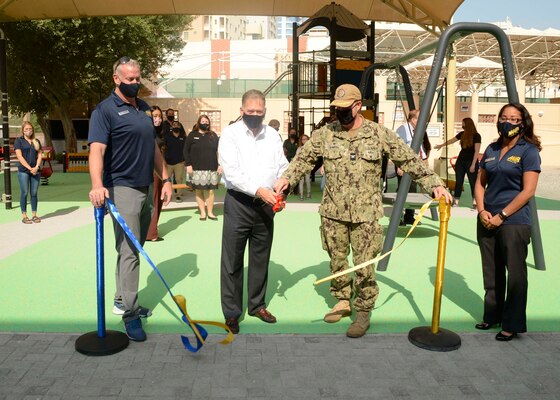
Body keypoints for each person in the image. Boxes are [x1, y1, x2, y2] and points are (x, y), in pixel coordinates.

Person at [274, 84, 452, 338]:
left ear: (358, 106)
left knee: (364, 265)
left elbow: (408, 158)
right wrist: (286, 180)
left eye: (345, 108)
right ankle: (343, 299)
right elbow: (304, 160)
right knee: (337, 259)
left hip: (365, 215)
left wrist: (435, 184)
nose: (340, 113)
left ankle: (363, 310)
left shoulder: (377, 133)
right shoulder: (326, 134)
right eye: (337, 108)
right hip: (333, 212)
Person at [88, 57, 173, 342]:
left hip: (145, 186)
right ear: (116, 79)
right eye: (131, 79)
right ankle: (131, 314)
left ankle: (121, 298)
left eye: (138, 79)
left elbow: (152, 147)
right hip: (121, 188)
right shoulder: (105, 111)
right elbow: (97, 151)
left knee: (131, 247)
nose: (136, 83)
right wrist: (97, 185)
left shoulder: (145, 109)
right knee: (130, 251)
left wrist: (166, 179)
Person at [218, 89, 289, 334]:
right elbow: (232, 172)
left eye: (259, 112)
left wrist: (283, 183)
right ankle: (231, 312)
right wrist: (259, 190)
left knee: (260, 258)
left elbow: (282, 165)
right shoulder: (230, 134)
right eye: (250, 112)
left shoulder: (273, 135)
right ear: (241, 111)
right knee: (232, 261)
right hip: (239, 203)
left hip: (266, 206)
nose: (255, 115)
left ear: (265, 111)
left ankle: (257, 305)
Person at [474, 103, 541, 342]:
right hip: (487, 218)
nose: (508, 122)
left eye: (514, 119)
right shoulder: (491, 149)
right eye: (504, 117)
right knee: (491, 271)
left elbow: (529, 190)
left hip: (514, 221)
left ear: (522, 123)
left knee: (515, 274)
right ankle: (492, 315)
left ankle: (511, 323)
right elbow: (480, 183)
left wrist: (502, 215)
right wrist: (482, 211)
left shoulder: (528, 150)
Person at [435, 117, 481, 208]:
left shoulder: (476, 136)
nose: (462, 126)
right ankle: (456, 201)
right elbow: (451, 140)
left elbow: (476, 151)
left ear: (467, 124)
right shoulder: (462, 134)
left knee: (473, 182)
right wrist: (441, 145)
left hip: (471, 161)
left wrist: (473, 165)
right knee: (459, 181)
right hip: (461, 161)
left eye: (463, 124)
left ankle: (475, 202)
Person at [184, 115, 222, 220]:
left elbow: (220, 151)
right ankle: (203, 213)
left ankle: (210, 212)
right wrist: (188, 165)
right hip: (196, 168)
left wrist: (220, 164)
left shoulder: (213, 135)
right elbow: (185, 151)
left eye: (207, 121)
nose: (205, 123)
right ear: (198, 123)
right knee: (199, 190)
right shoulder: (192, 135)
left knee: (210, 191)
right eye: (203, 121)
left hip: (211, 167)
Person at [395, 110, 421, 226]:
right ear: (413, 119)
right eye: (420, 118)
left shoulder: (418, 131)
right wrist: (399, 166)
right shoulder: (403, 129)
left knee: (412, 191)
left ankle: (409, 216)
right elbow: (398, 148)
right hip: (404, 165)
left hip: (415, 165)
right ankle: (398, 217)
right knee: (402, 191)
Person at [14, 122, 43, 224]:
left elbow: (40, 155)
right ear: (23, 130)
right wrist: (29, 168)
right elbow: (19, 156)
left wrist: (36, 167)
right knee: (25, 192)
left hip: (35, 171)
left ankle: (34, 215)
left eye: (30, 129)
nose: (28, 131)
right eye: (26, 129)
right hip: (23, 171)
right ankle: (24, 216)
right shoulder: (19, 141)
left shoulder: (36, 141)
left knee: (34, 193)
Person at [146, 106, 165, 241]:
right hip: (151, 168)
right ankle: (151, 233)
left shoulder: (161, 132)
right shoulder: (147, 131)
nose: (157, 118)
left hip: (161, 168)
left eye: (159, 116)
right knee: (154, 197)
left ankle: (152, 229)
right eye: (154, 116)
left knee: (159, 198)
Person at [163, 120, 186, 202]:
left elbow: (185, 150)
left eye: (177, 125)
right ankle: (166, 194)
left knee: (179, 179)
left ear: (180, 127)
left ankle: (178, 195)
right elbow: (163, 148)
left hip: (179, 162)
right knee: (167, 180)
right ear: (171, 127)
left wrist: (185, 159)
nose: (176, 126)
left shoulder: (183, 137)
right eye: (174, 125)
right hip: (168, 163)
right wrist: (163, 160)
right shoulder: (167, 137)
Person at [297, 134, 311, 200]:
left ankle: (309, 193)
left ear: (308, 140)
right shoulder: (299, 148)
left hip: (308, 166)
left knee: (307, 180)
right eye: (303, 139)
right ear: (301, 141)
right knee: (301, 181)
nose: (304, 140)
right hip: (301, 167)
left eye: (306, 139)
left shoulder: (311, 148)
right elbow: (297, 158)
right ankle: (301, 194)